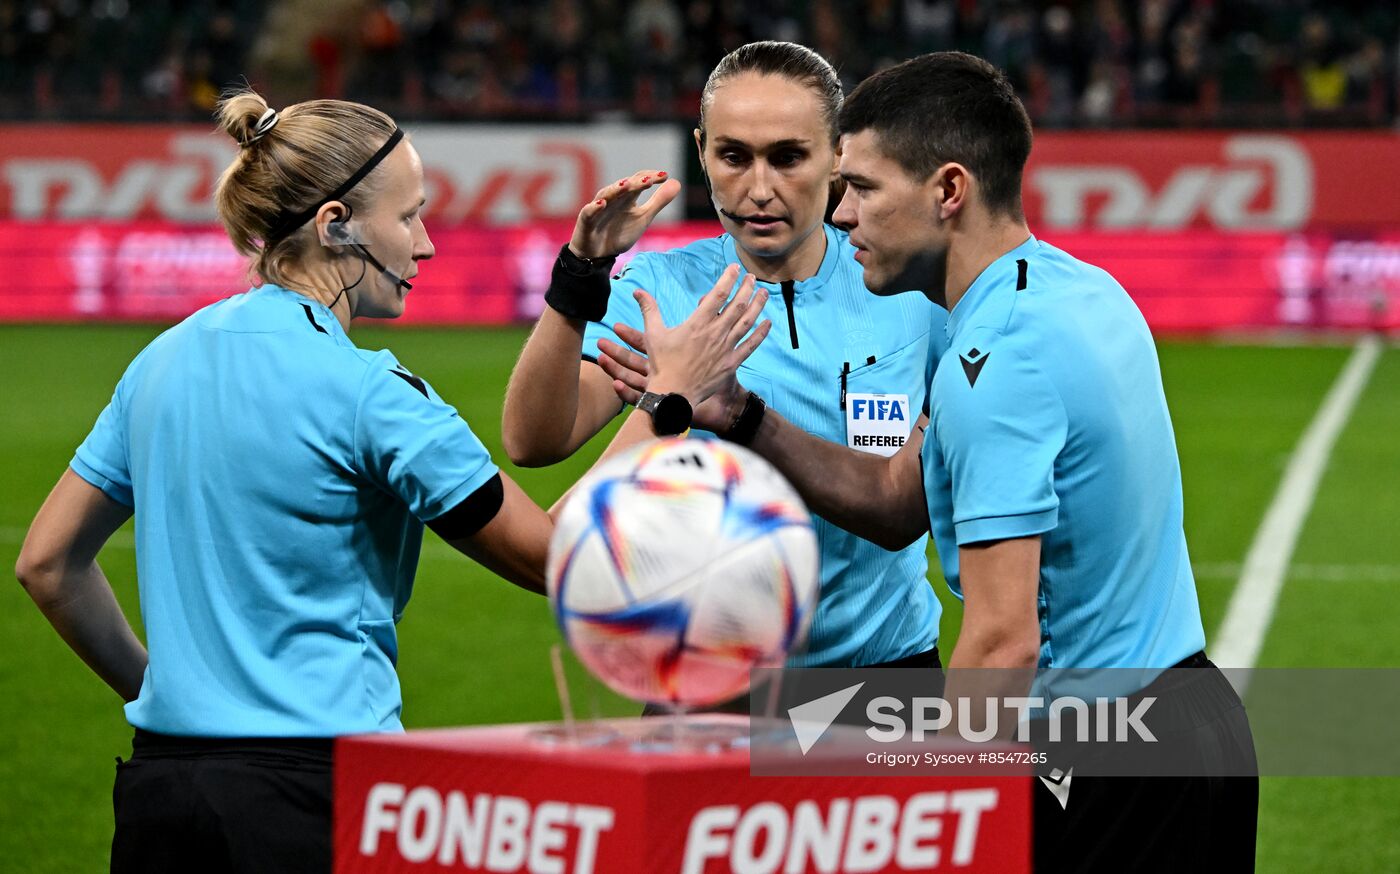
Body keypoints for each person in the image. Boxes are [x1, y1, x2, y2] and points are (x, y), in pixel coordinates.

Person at [9, 90, 750, 873]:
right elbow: (557, 560)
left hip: (163, 792)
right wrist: (667, 404)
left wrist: (169, 692)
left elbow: (48, 565)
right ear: (335, 225)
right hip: (314, 800)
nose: (426, 245)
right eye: (408, 218)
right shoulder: (372, 394)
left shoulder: (160, 360)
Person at [596, 52, 1257, 872]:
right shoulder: (1076, 292)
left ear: (948, 191)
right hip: (1192, 724)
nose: (841, 216)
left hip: (1104, 758)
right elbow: (897, 499)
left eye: (864, 188)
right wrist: (742, 414)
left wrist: (922, 817)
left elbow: (1001, 644)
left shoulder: (995, 364)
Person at [503, 41, 946, 674]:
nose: (759, 188)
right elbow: (535, 440)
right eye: (733, 156)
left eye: (788, 157)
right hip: (714, 685)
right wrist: (581, 276)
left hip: (886, 673)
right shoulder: (662, 291)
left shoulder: (908, 289)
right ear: (703, 149)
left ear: (838, 157)